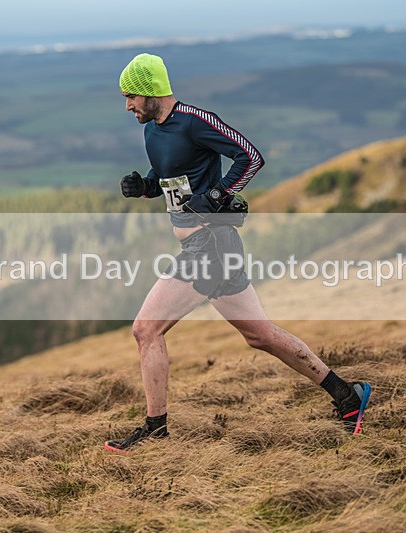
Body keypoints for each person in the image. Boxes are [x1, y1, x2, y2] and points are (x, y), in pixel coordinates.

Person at [104, 53, 371, 453]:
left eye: (131, 97)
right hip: (212, 247)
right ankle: (347, 394)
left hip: (210, 245)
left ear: (150, 91)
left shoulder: (195, 121)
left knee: (146, 329)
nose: (128, 106)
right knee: (260, 336)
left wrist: (218, 193)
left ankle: (156, 431)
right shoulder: (153, 132)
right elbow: (170, 178)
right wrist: (145, 186)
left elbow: (250, 156)